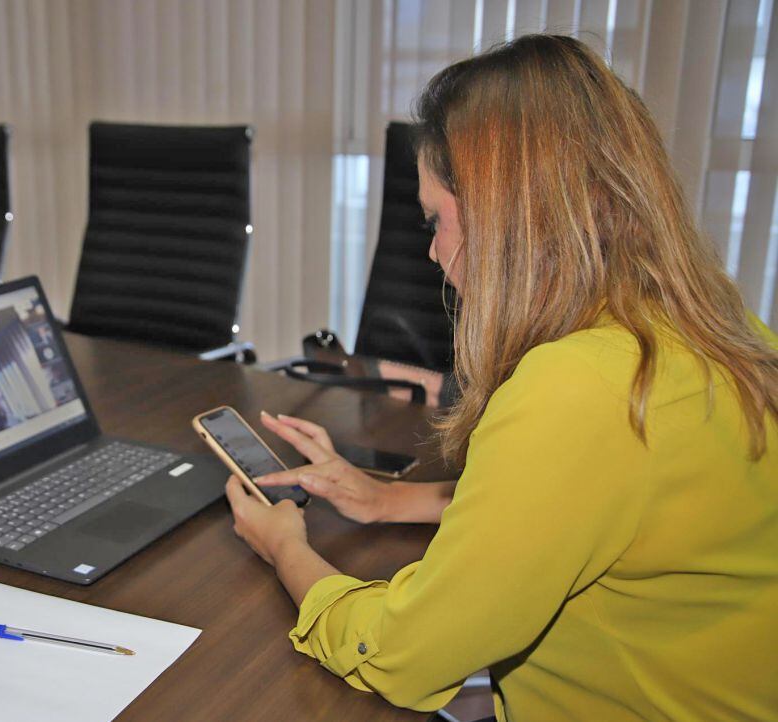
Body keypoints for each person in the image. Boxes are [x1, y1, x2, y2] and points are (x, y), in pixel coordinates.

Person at [224, 34, 778, 721]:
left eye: (437, 220)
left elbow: (403, 653)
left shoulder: (577, 388)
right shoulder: (723, 328)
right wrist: (390, 500)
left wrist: (286, 549)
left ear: (507, 210)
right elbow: (598, 507)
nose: (431, 251)